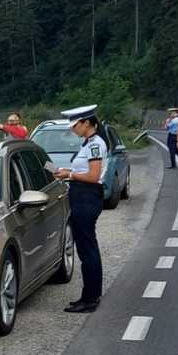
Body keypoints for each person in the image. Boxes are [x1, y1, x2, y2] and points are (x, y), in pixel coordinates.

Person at [49, 104, 107, 313]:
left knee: (87, 249)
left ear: (87, 123)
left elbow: (93, 176)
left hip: (87, 196)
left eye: (76, 125)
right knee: (86, 248)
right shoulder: (88, 143)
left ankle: (90, 299)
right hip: (82, 195)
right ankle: (89, 294)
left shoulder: (95, 145)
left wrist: (70, 175)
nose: (73, 129)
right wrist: (69, 171)